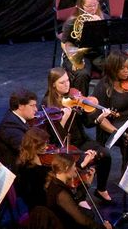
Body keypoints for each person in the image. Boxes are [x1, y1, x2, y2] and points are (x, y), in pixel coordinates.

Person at [44, 67, 113, 202]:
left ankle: (101, 189)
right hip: (66, 146)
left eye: (68, 81)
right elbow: (54, 135)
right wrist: (63, 119)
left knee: (105, 154)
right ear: (53, 84)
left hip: (81, 139)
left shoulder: (73, 96)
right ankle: (79, 198)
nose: (67, 85)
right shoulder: (48, 104)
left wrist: (98, 118)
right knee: (83, 161)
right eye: (62, 83)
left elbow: (87, 123)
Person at [59, 0, 107, 94]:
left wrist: (100, 25)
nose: (93, 8)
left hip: (97, 54)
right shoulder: (72, 21)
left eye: (95, 5)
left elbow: (108, 39)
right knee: (82, 74)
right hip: (77, 53)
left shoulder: (103, 18)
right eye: (89, 6)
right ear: (81, 6)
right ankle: (81, 105)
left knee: (114, 68)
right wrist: (73, 59)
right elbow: (64, 42)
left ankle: (105, 100)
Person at [0, 90, 39, 171]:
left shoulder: (14, 118)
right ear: (20, 106)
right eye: (32, 106)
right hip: (18, 171)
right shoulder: (10, 125)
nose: (36, 109)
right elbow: (26, 150)